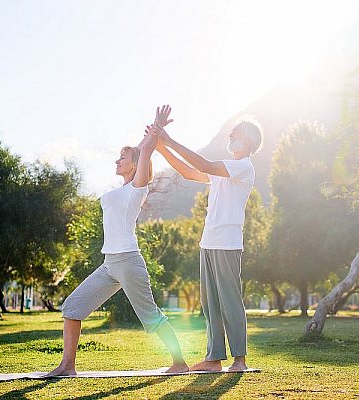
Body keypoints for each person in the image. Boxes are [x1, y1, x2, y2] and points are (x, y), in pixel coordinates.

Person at [45, 119, 188, 377]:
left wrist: (155, 130)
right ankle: (67, 366)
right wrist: (146, 138)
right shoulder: (121, 190)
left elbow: (143, 153)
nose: (117, 161)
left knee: (151, 316)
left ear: (135, 165)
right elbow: (138, 150)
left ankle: (179, 363)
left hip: (129, 262)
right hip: (109, 264)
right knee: (72, 307)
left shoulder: (137, 189)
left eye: (122, 158)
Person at [148, 105, 263, 372]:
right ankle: (213, 360)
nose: (230, 136)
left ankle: (240, 360)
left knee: (230, 301)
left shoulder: (242, 167)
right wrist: (162, 147)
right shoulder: (224, 170)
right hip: (208, 242)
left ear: (247, 140)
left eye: (235, 132)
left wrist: (169, 140)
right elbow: (190, 172)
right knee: (210, 304)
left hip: (227, 243)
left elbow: (202, 164)